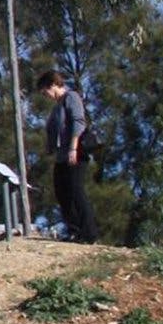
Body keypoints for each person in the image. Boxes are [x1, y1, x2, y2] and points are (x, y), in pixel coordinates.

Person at [38, 70, 101, 245]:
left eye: (45, 92)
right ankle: (74, 230)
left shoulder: (71, 97)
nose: (46, 96)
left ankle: (89, 232)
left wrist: (73, 148)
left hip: (76, 152)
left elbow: (78, 122)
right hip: (61, 155)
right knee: (62, 192)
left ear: (52, 85)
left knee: (76, 191)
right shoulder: (57, 105)